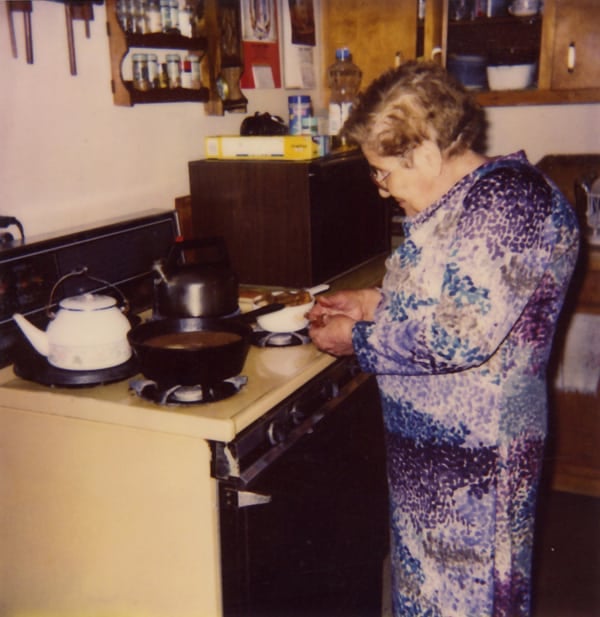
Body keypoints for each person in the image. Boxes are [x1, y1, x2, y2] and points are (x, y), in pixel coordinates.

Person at [307, 61, 580, 617]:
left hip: (477, 466)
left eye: (383, 173)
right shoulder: (460, 205)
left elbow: (458, 338)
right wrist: (370, 303)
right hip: (433, 458)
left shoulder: (509, 204)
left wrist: (357, 341)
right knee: (428, 599)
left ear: (427, 157)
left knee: (471, 603)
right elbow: (445, 303)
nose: (382, 190)